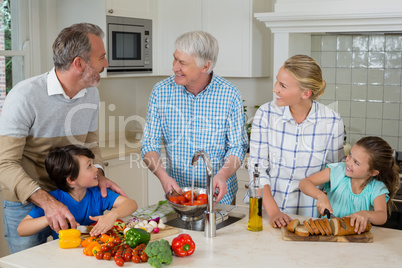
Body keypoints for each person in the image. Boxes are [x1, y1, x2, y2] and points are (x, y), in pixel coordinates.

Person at [0, 23, 125, 253]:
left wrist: (98, 173)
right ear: (79, 64)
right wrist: (47, 202)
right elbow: (5, 163)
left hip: (73, 197)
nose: (106, 64)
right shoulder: (24, 96)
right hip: (27, 203)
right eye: (102, 57)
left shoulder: (92, 93)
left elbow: (90, 144)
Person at [141, 31, 248, 204]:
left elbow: (237, 146)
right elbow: (149, 144)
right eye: (175, 58)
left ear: (205, 66)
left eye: (182, 62)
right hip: (179, 195)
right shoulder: (161, 91)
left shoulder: (229, 94)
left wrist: (222, 175)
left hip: (220, 196)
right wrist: (163, 177)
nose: (175, 67)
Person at [247, 54, 345, 227]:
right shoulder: (265, 114)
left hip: (311, 216)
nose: (275, 89)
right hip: (268, 212)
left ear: (305, 93)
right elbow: (257, 169)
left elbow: (334, 172)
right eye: (277, 82)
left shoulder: (332, 121)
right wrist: (274, 212)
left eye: (282, 85)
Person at [17, 145, 137, 238]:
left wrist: (112, 215)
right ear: (72, 179)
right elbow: (22, 229)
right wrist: (49, 218)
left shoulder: (98, 193)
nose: (96, 169)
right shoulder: (54, 201)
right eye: (89, 166)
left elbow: (131, 204)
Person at [299, 136, 400, 234]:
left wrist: (366, 214)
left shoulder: (377, 188)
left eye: (356, 163)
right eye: (350, 154)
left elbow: (382, 216)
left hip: (356, 238)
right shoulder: (338, 171)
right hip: (326, 234)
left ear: (373, 172)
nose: (348, 162)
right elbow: (304, 183)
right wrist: (320, 196)